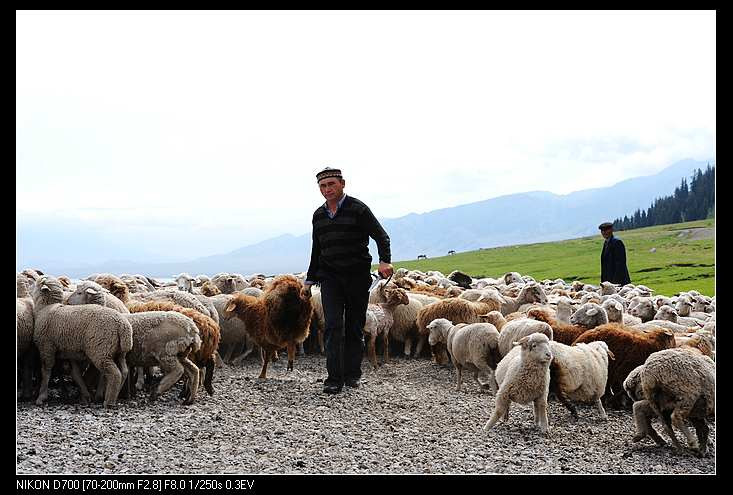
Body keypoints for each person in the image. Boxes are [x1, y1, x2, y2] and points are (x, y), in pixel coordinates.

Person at [302, 167, 393, 394]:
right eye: (322, 186)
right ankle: (334, 378)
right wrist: (309, 280)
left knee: (354, 326)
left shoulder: (358, 209)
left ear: (342, 184)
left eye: (331, 184)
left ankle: (352, 373)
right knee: (332, 325)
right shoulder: (319, 215)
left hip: (357, 276)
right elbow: (317, 249)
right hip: (330, 278)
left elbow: (381, 236)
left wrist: (384, 261)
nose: (327, 190)